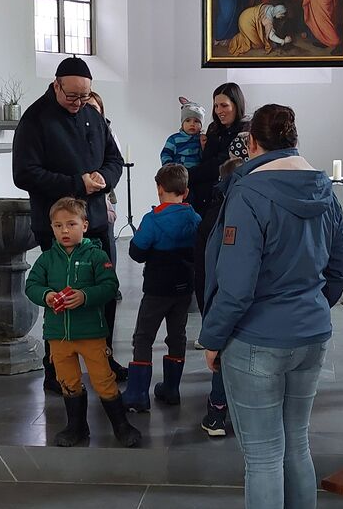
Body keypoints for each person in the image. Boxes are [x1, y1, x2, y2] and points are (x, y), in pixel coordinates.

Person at [200, 103, 343, 509]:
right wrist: (309, 308)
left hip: (257, 340)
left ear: (252, 144)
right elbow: (341, 267)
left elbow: (236, 284)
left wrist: (213, 338)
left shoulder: (249, 191)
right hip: (311, 335)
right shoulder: (323, 187)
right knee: (297, 447)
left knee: (263, 458)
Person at [12, 56, 126, 387]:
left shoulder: (92, 114)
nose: (78, 103)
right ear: (56, 85)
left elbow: (114, 158)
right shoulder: (35, 119)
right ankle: (56, 367)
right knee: (61, 296)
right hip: (58, 226)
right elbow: (24, 173)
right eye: (72, 96)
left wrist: (104, 178)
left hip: (96, 222)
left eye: (84, 96)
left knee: (103, 292)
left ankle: (104, 357)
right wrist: (77, 183)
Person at [25, 197, 140, 448]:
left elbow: (109, 286)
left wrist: (85, 296)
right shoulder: (46, 259)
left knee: (103, 379)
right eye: (58, 226)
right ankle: (76, 426)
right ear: (52, 228)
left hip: (91, 333)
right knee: (68, 381)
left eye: (71, 224)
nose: (64, 231)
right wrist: (47, 295)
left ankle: (121, 425)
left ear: (84, 225)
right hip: (58, 335)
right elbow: (31, 285)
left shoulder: (97, 256)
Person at [121, 164, 201, 412]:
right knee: (177, 335)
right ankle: (171, 389)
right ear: (186, 192)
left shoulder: (153, 220)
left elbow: (136, 252)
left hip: (157, 289)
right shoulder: (194, 218)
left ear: (159, 189)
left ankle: (137, 394)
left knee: (143, 336)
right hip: (184, 288)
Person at [193, 157, 240, 437]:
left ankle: (217, 414)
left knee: (221, 355)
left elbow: (206, 269)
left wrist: (209, 318)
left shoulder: (216, 212)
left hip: (224, 298)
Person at [187, 83, 250, 216]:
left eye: (224, 105)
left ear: (236, 105)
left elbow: (221, 165)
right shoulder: (213, 128)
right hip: (201, 197)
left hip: (225, 199)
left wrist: (186, 175)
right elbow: (206, 161)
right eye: (216, 106)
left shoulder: (245, 130)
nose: (219, 110)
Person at [86, 91, 118, 272]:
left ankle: (109, 277)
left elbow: (115, 160)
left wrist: (103, 176)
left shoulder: (107, 131)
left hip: (103, 194)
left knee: (107, 238)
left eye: (94, 108)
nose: (89, 111)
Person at [160, 98, 205, 169]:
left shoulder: (201, 139)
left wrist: (203, 145)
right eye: (188, 121)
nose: (192, 124)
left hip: (197, 173)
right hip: (178, 173)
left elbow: (206, 157)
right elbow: (165, 154)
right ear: (182, 124)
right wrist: (170, 168)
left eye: (196, 121)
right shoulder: (174, 139)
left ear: (201, 125)